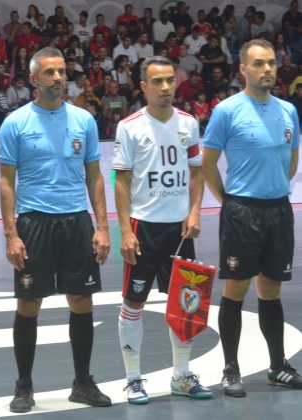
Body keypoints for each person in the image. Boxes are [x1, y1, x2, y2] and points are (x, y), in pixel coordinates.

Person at [0, 46, 111, 414]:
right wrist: (11, 234)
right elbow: (5, 182)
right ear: (34, 79)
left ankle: (82, 382)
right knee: (29, 304)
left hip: (76, 221)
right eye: (50, 73)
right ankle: (24, 385)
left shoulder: (84, 120)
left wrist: (102, 227)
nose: (59, 78)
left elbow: (94, 176)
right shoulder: (16, 123)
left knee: (82, 300)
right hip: (34, 223)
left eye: (62, 71)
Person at [202, 39, 302, 397]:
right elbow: (207, 163)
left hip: (278, 210)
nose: (268, 69)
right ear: (243, 69)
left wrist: (273, 188)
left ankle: (278, 367)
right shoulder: (227, 110)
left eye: (272, 62)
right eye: (259, 63)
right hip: (242, 213)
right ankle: (231, 369)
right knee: (236, 289)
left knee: (272, 288)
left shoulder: (288, 110)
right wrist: (228, 201)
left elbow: (291, 162)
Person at [112, 55, 210, 404]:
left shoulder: (189, 123)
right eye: (157, 81)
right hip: (143, 227)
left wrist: (195, 211)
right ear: (143, 86)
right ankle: (133, 378)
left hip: (180, 230)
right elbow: (121, 181)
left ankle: (181, 376)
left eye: (170, 80)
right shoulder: (130, 126)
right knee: (134, 303)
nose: (166, 87)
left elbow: (197, 169)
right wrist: (124, 230)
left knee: (186, 304)